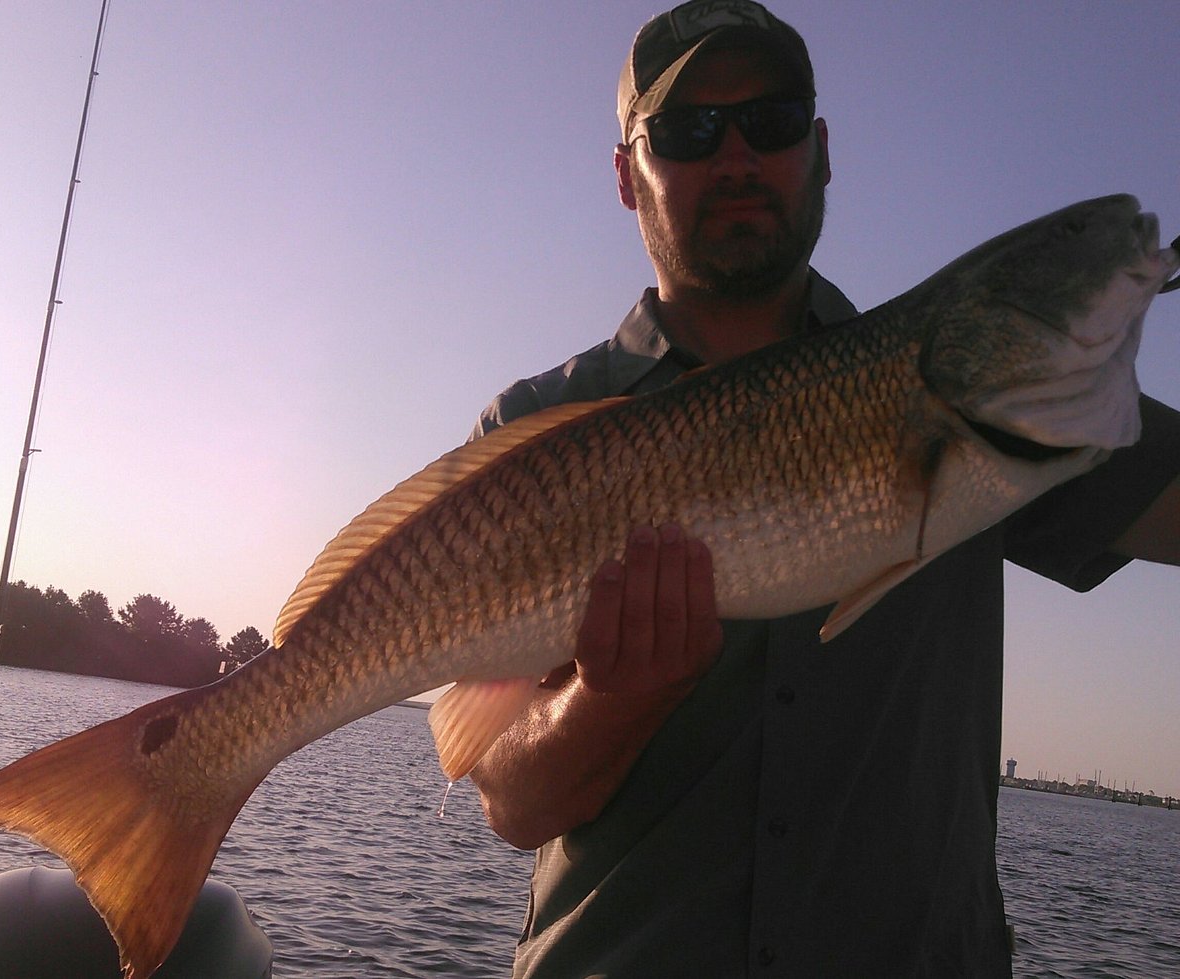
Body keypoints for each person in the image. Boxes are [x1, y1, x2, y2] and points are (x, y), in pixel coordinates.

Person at [468, 3, 1180, 976]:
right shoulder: (531, 434)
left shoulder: (1005, 394)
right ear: (628, 177)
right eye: (686, 132)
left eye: (774, 119)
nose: (737, 157)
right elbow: (509, 799)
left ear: (823, 149)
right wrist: (607, 699)